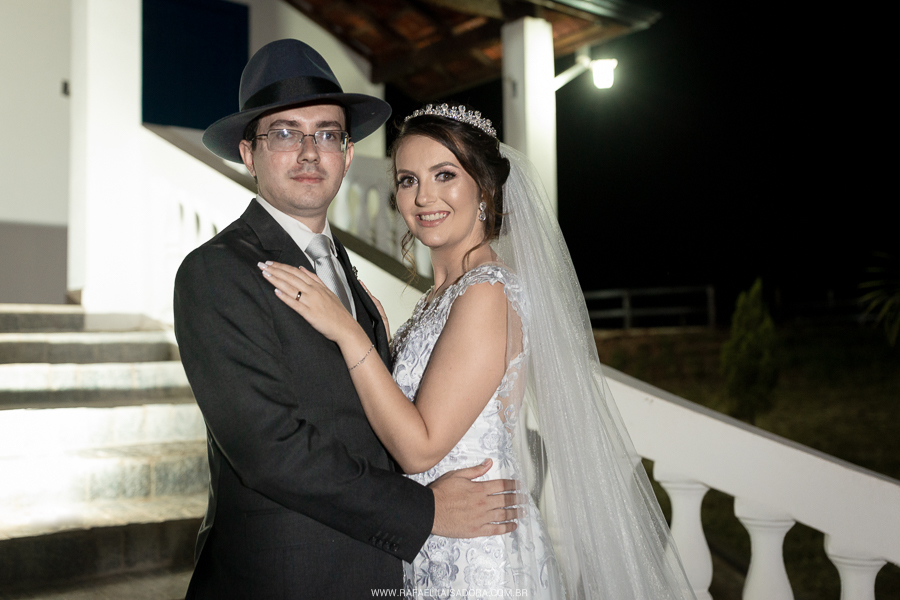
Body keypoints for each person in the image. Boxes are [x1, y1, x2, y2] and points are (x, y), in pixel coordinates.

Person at [259, 104, 700, 599]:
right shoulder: (441, 297)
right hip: (430, 539)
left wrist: (349, 334)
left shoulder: (487, 291)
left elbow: (419, 447)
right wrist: (377, 342)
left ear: (484, 189)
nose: (424, 196)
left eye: (444, 175)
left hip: (479, 559)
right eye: (408, 180)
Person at [174, 41, 521, 600]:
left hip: (387, 572)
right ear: (248, 153)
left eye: (327, 134)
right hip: (285, 580)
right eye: (284, 133)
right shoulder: (217, 271)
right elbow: (270, 451)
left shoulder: (349, 278)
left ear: (348, 153)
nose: (309, 152)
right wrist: (425, 511)